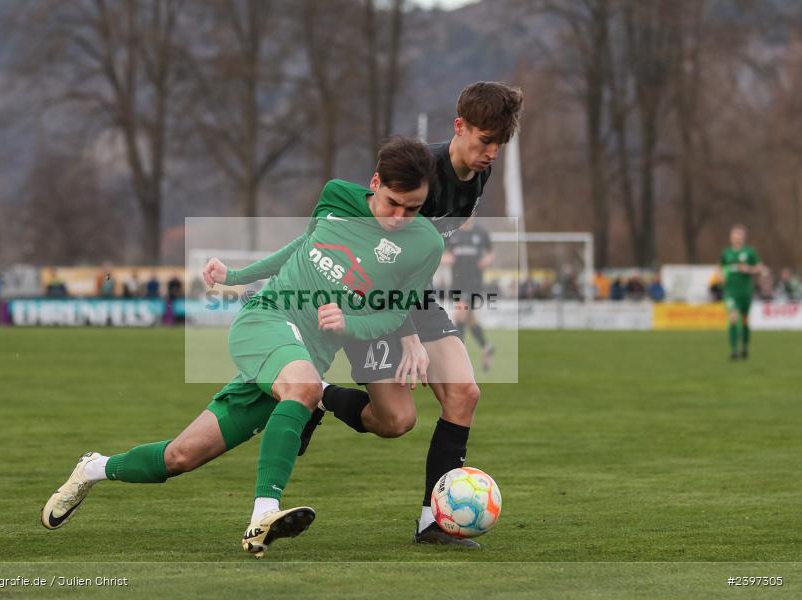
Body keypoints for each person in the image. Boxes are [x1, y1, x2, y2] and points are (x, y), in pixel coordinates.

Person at [41, 137, 444, 558]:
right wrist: (237, 276)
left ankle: (93, 468)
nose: (400, 217)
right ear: (375, 182)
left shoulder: (426, 245)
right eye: (393, 203)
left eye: (412, 208)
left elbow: (396, 314)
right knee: (307, 389)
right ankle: (263, 515)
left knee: (179, 457)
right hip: (266, 320)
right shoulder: (337, 196)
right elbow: (299, 250)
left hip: (301, 356)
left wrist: (353, 322)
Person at [244, 82, 522, 548]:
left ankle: (432, 522)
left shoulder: (478, 172)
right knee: (395, 421)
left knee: (464, 394)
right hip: (371, 298)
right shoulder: (422, 174)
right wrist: (407, 334)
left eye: (498, 144)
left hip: (413, 297)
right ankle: (321, 395)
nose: (491, 152)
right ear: (459, 128)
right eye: (483, 141)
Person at [443, 217, 495, 371]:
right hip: (457, 283)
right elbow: (441, 250)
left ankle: (458, 356)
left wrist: (487, 260)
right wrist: (445, 258)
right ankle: (486, 346)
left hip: (474, 283)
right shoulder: (453, 233)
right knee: (469, 318)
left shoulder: (481, 232)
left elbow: (491, 252)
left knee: (460, 314)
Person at [720, 224, 764, 360]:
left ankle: (745, 347)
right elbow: (720, 266)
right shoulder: (726, 253)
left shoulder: (750, 252)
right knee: (733, 318)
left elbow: (760, 268)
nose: (737, 238)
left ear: (743, 238)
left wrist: (749, 269)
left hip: (745, 291)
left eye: (739, 236)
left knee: (744, 320)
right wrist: (721, 276)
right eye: (735, 236)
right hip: (731, 291)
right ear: (731, 238)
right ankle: (734, 350)